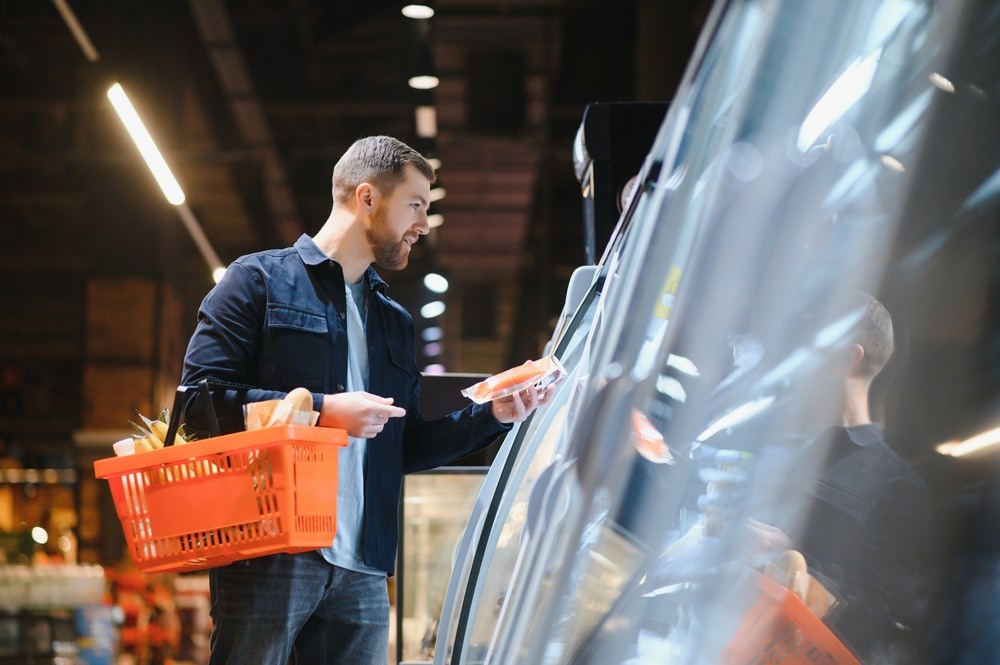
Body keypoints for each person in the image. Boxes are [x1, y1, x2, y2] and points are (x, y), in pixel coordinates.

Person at [179, 135, 555, 664]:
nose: (424, 224)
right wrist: (322, 412)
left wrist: (493, 415)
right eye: (417, 204)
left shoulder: (393, 324)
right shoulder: (257, 281)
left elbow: (404, 446)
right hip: (270, 551)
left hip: (364, 565)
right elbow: (198, 404)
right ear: (368, 197)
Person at [745, 292, 929, 660]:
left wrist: (793, 565)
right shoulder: (782, 450)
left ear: (849, 355)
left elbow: (877, 616)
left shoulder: (897, 485)